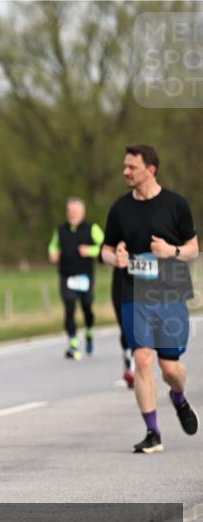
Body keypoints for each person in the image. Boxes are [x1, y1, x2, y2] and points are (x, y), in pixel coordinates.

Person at [101, 144, 199, 454]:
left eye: (132, 167)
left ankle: (179, 397)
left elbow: (194, 248)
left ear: (151, 169)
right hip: (132, 291)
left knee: (170, 369)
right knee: (142, 358)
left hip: (169, 290)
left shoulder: (176, 205)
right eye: (125, 166)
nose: (125, 172)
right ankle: (152, 432)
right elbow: (105, 249)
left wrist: (172, 251)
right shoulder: (119, 209)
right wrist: (114, 258)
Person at [48, 197, 104, 360]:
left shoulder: (92, 228)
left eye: (76, 211)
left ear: (83, 213)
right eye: (70, 211)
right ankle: (73, 343)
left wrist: (91, 250)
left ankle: (89, 332)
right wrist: (52, 252)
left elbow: (105, 245)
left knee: (87, 307)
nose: (73, 214)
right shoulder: (60, 230)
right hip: (66, 276)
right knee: (69, 308)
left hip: (85, 276)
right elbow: (53, 245)